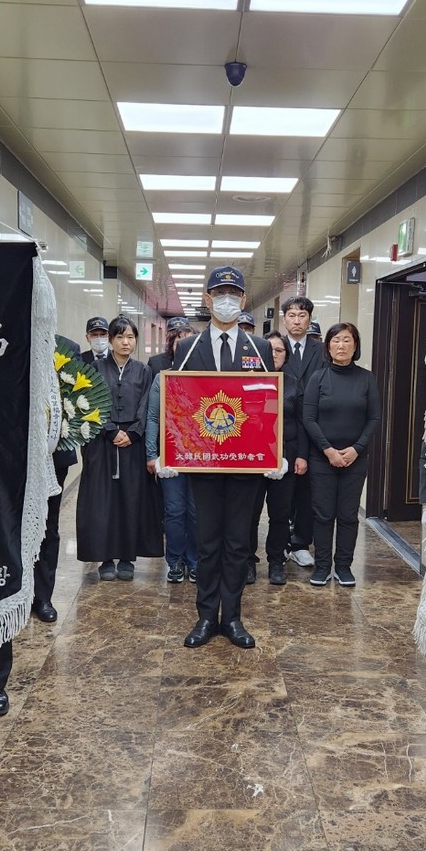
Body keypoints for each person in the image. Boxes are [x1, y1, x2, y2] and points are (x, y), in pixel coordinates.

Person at [174, 266, 276, 649]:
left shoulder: (259, 348)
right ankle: (205, 617)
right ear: (207, 299)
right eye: (219, 293)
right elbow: (180, 403)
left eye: (233, 293)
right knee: (207, 542)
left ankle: (232, 617)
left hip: (245, 462)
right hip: (203, 462)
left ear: (244, 300)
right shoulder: (187, 348)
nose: (226, 300)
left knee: (237, 543)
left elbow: (267, 403)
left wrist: (271, 450)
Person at [76, 315, 162, 580]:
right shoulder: (96, 368)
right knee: (103, 501)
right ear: (111, 340)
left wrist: (134, 433)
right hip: (103, 441)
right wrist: (111, 430)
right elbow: (91, 402)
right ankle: (105, 557)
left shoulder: (144, 370)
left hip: (133, 443)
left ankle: (127, 557)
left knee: (130, 499)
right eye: (120, 337)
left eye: (130, 337)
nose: (126, 342)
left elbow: (147, 405)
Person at [301, 322, 380, 588]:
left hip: (355, 460)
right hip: (322, 458)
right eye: (336, 340)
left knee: (348, 515)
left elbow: (374, 418)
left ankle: (344, 566)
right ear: (328, 346)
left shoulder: (366, 378)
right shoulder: (318, 378)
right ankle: (323, 566)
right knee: (323, 515)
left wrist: (357, 448)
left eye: (347, 340)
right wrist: (328, 450)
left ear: (355, 345)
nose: (341, 346)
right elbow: (309, 418)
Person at [249, 330, 307, 585]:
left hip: (285, 456)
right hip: (252, 457)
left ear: (286, 356)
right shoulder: (247, 380)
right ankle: (247, 560)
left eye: (279, 350)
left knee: (280, 513)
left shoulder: (293, 383)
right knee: (249, 513)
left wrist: (301, 455)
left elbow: (303, 422)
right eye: (269, 349)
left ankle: (276, 561)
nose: (273, 354)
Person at [30, 333, 80, 623]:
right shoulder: (10, 337)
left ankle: (43, 596)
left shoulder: (67, 348)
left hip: (54, 454)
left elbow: (80, 401)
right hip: (16, 455)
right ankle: (17, 591)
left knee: (49, 525)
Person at [146, 317, 199, 583]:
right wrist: (151, 454)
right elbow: (153, 418)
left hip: (202, 458)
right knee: (175, 510)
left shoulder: (207, 377)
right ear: (173, 345)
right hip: (172, 456)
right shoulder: (163, 378)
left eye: (191, 342)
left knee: (197, 511)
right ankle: (175, 560)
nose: (186, 346)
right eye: (181, 342)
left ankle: (195, 561)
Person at [281, 296, 323, 569]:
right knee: (281, 491)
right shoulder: (273, 346)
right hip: (283, 428)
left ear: (309, 319)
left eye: (302, 316)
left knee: (306, 491)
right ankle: (281, 542)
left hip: (313, 426)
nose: (297, 321)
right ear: (284, 318)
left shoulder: (321, 350)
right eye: (292, 315)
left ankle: (300, 543)